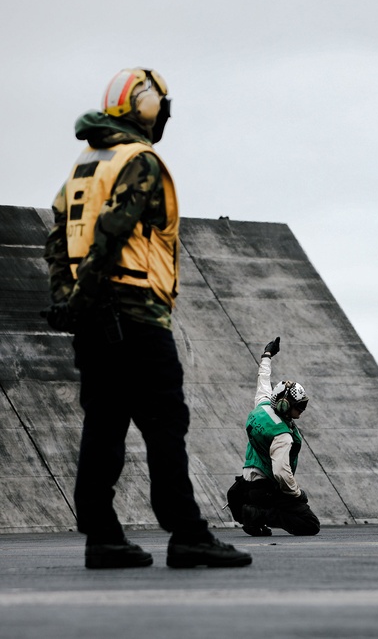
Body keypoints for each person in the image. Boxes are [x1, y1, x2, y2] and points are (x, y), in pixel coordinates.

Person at [42, 68, 252, 569]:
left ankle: (103, 538)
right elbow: (112, 234)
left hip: (93, 323)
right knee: (164, 423)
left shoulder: (84, 167)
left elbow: (57, 244)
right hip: (136, 316)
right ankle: (187, 535)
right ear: (147, 107)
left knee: (104, 426)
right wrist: (88, 295)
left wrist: (71, 302)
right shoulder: (140, 162)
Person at [227, 337, 320, 536]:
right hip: (265, 487)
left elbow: (263, 379)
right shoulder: (283, 435)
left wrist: (267, 355)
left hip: (244, 485)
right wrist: (297, 493)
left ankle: (253, 518)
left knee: (237, 500)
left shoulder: (262, 404)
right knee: (310, 524)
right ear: (286, 405)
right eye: (300, 405)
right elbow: (280, 472)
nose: (303, 409)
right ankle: (259, 515)